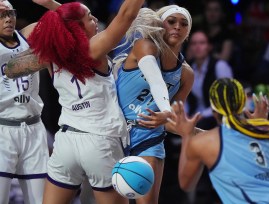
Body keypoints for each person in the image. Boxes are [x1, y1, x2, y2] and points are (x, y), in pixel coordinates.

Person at [4, 0, 144, 203]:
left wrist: (52, 5)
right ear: (77, 28)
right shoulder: (93, 49)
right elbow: (126, 15)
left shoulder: (51, 56)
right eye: (89, 17)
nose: (95, 19)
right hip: (100, 141)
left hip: (66, 143)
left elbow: (11, 69)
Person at [168, 78, 269, 204]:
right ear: (243, 103)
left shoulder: (204, 143)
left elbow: (186, 184)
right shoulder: (262, 130)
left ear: (213, 109)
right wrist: (261, 124)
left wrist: (186, 136)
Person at [114, 5, 194, 204]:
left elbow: (173, 121)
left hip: (149, 137)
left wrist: (197, 132)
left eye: (183, 24)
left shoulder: (186, 74)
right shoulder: (144, 46)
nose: (177, 27)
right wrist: (167, 113)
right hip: (114, 132)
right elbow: (157, 83)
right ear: (161, 25)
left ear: (187, 33)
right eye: (172, 21)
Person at [0, 0, 60, 203]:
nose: (8, 18)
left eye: (11, 13)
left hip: (34, 128)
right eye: (1, 15)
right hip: (2, 129)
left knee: (40, 200)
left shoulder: (27, 36)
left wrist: (50, 3)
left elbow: (68, 19)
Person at [186, 30, 233, 130]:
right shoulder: (188, 68)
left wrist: (202, 115)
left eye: (202, 43)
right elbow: (184, 98)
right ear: (190, 48)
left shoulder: (220, 66)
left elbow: (225, 99)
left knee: (200, 126)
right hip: (194, 115)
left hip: (215, 116)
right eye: (194, 43)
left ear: (209, 46)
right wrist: (184, 114)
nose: (198, 47)